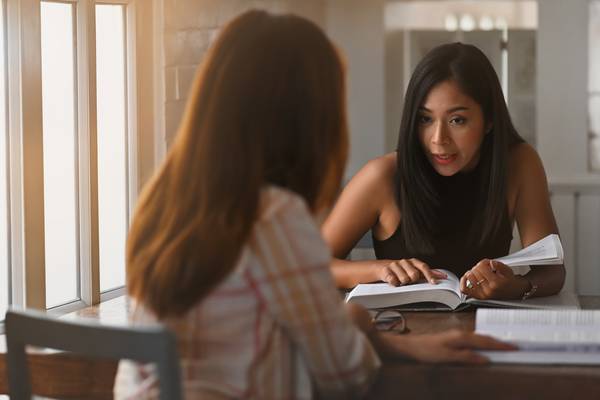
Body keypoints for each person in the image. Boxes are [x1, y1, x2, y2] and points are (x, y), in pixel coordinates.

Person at [114, 14, 513, 399]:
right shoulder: (275, 215)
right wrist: (356, 323)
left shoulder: (165, 203)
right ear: (307, 120)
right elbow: (345, 378)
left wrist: (383, 343)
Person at [322, 42, 565, 300]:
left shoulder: (519, 163)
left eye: (457, 120)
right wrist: (378, 269)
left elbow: (552, 272)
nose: (438, 138)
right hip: (402, 330)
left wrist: (516, 286)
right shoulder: (381, 176)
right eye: (425, 119)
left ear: (489, 120)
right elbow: (309, 266)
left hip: (486, 329)